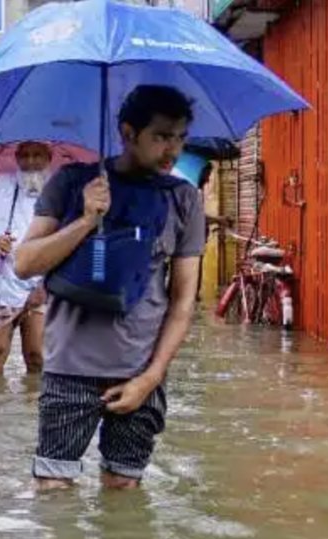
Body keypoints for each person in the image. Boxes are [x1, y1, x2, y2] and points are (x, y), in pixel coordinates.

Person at [14, 85, 206, 491]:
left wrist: (151, 378)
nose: (172, 150)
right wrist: (84, 220)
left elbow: (183, 302)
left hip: (139, 370)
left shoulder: (184, 200)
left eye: (180, 137)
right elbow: (23, 263)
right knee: (53, 492)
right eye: (160, 136)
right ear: (127, 132)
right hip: (69, 370)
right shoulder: (71, 183)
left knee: (123, 492)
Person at [0, 142, 52, 376]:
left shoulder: (61, 189)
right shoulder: (0, 184)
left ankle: (35, 409)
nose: (31, 161)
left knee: (38, 358)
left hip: (42, 287)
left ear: (49, 157)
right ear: (16, 158)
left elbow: (70, 242)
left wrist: (46, 286)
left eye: (37, 155)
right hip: (2, 282)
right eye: (25, 155)